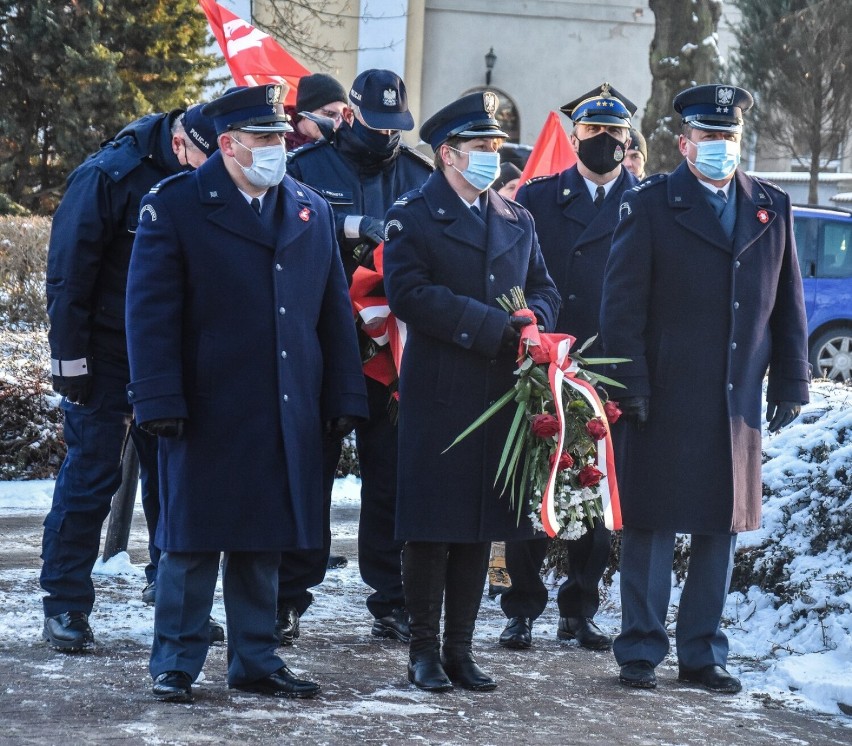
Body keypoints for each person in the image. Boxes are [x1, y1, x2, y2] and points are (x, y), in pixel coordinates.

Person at [125, 83, 368, 703]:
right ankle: (176, 661)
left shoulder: (308, 210)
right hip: (206, 404)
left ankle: (256, 658)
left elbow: (332, 314)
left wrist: (343, 396)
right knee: (191, 540)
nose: (277, 149)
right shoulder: (175, 205)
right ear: (228, 144)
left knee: (265, 538)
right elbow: (150, 314)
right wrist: (157, 399)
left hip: (286, 402)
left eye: (281, 138)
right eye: (263, 139)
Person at [600, 84, 810, 694]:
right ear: (684, 142)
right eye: (709, 136)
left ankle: (702, 653)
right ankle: (640, 649)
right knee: (652, 527)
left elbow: (788, 307)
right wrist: (628, 381)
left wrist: (792, 379)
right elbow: (622, 309)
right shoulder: (648, 206)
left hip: (734, 399)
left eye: (729, 137)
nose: (720, 147)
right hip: (664, 394)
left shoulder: (771, 206)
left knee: (720, 527)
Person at [383, 91, 561, 692]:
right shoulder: (413, 213)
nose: (491, 157)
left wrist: (533, 319)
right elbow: (408, 293)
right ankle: (424, 651)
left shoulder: (515, 217)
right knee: (433, 528)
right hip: (441, 390)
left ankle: (461, 648)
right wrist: (492, 327)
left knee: (479, 526)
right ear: (448, 155)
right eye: (480, 148)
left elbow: (544, 288)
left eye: (494, 148)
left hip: (500, 394)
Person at [40, 103, 218, 653]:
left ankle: (172, 596)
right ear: (183, 140)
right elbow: (69, 275)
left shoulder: (206, 171)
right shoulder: (109, 175)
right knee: (92, 476)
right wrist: (71, 364)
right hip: (108, 353)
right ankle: (65, 602)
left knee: (175, 481)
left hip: (171, 355)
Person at [282, 69, 433, 646]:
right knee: (308, 473)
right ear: (351, 116)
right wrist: (348, 226)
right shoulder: (307, 171)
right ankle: (288, 595)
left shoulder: (417, 177)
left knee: (392, 475)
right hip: (323, 347)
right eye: (377, 124)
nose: (388, 137)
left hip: (393, 353)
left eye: (398, 127)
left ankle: (391, 596)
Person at [497, 83, 638, 654]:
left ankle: (580, 608)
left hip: (614, 361)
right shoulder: (535, 198)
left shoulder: (645, 199)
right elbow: (519, 274)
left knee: (597, 489)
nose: (602, 141)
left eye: (614, 133)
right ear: (573, 135)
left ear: (628, 139)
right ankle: (521, 607)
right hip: (547, 358)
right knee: (535, 483)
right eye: (591, 131)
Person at [285, 72, 349, 151]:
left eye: (343, 116)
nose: (338, 124)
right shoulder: (275, 142)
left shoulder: (343, 147)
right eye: (329, 114)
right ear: (305, 113)